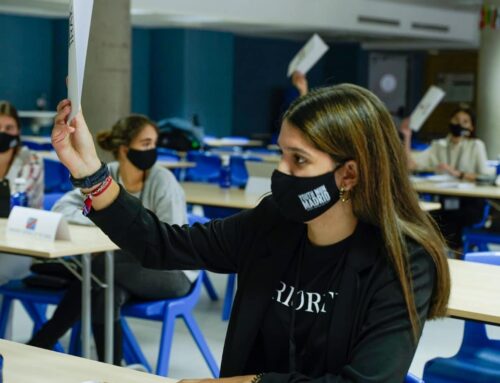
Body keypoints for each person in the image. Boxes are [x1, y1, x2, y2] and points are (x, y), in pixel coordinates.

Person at [51, 84, 450, 382]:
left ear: (349, 173)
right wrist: (92, 174)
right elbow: (162, 245)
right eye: (281, 153)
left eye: (299, 160)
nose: (281, 173)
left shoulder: (404, 261)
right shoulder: (274, 223)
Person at [28, 115, 196, 365]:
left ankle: (42, 342)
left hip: (173, 272)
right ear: (124, 148)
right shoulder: (106, 177)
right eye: (146, 143)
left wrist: (114, 227)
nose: (153, 150)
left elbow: (169, 239)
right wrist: (110, 227)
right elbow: (63, 208)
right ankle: (112, 367)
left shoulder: (163, 181)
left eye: (154, 144)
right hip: (123, 268)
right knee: (106, 290)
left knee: (96, 273)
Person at [400, 106, 493, 249]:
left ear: (472, 127)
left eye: (465, 121)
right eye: (456, 119)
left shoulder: (476, 145)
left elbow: (486, 176)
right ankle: (442, 256)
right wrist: (407, 136)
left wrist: (458, 174)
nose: (459, 124)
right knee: (428, 217)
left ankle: (452, 255)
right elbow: (410, 164)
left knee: (450, 220)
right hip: (445, 200)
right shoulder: (439, 145)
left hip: (470, 202)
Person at [0, 101, 44, 337]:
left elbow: (19, 203)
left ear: (18, 131)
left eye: (9, 128)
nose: (3, 133)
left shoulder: (31, 160)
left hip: (23, 247)